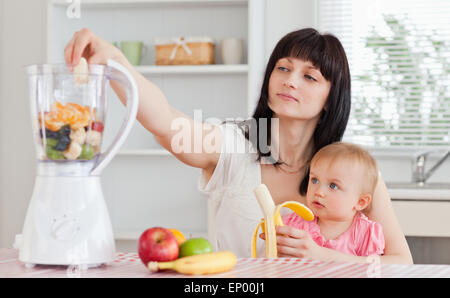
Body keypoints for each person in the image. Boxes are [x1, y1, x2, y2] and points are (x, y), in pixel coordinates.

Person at [64, 27, 413, 263]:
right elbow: (168, 123)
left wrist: (324, 257)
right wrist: (116, 64)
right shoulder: (236, 144)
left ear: (331, 97)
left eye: (309, 76)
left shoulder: (355, 174)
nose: (290, 81)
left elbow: (401, 263)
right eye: (282, 68)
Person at [279, 142, 385, 257]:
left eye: (333, 186)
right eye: (314, 180)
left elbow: (372, 271)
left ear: (360, 202)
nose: (318, 192)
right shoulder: (295, 224)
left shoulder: (365, 233)